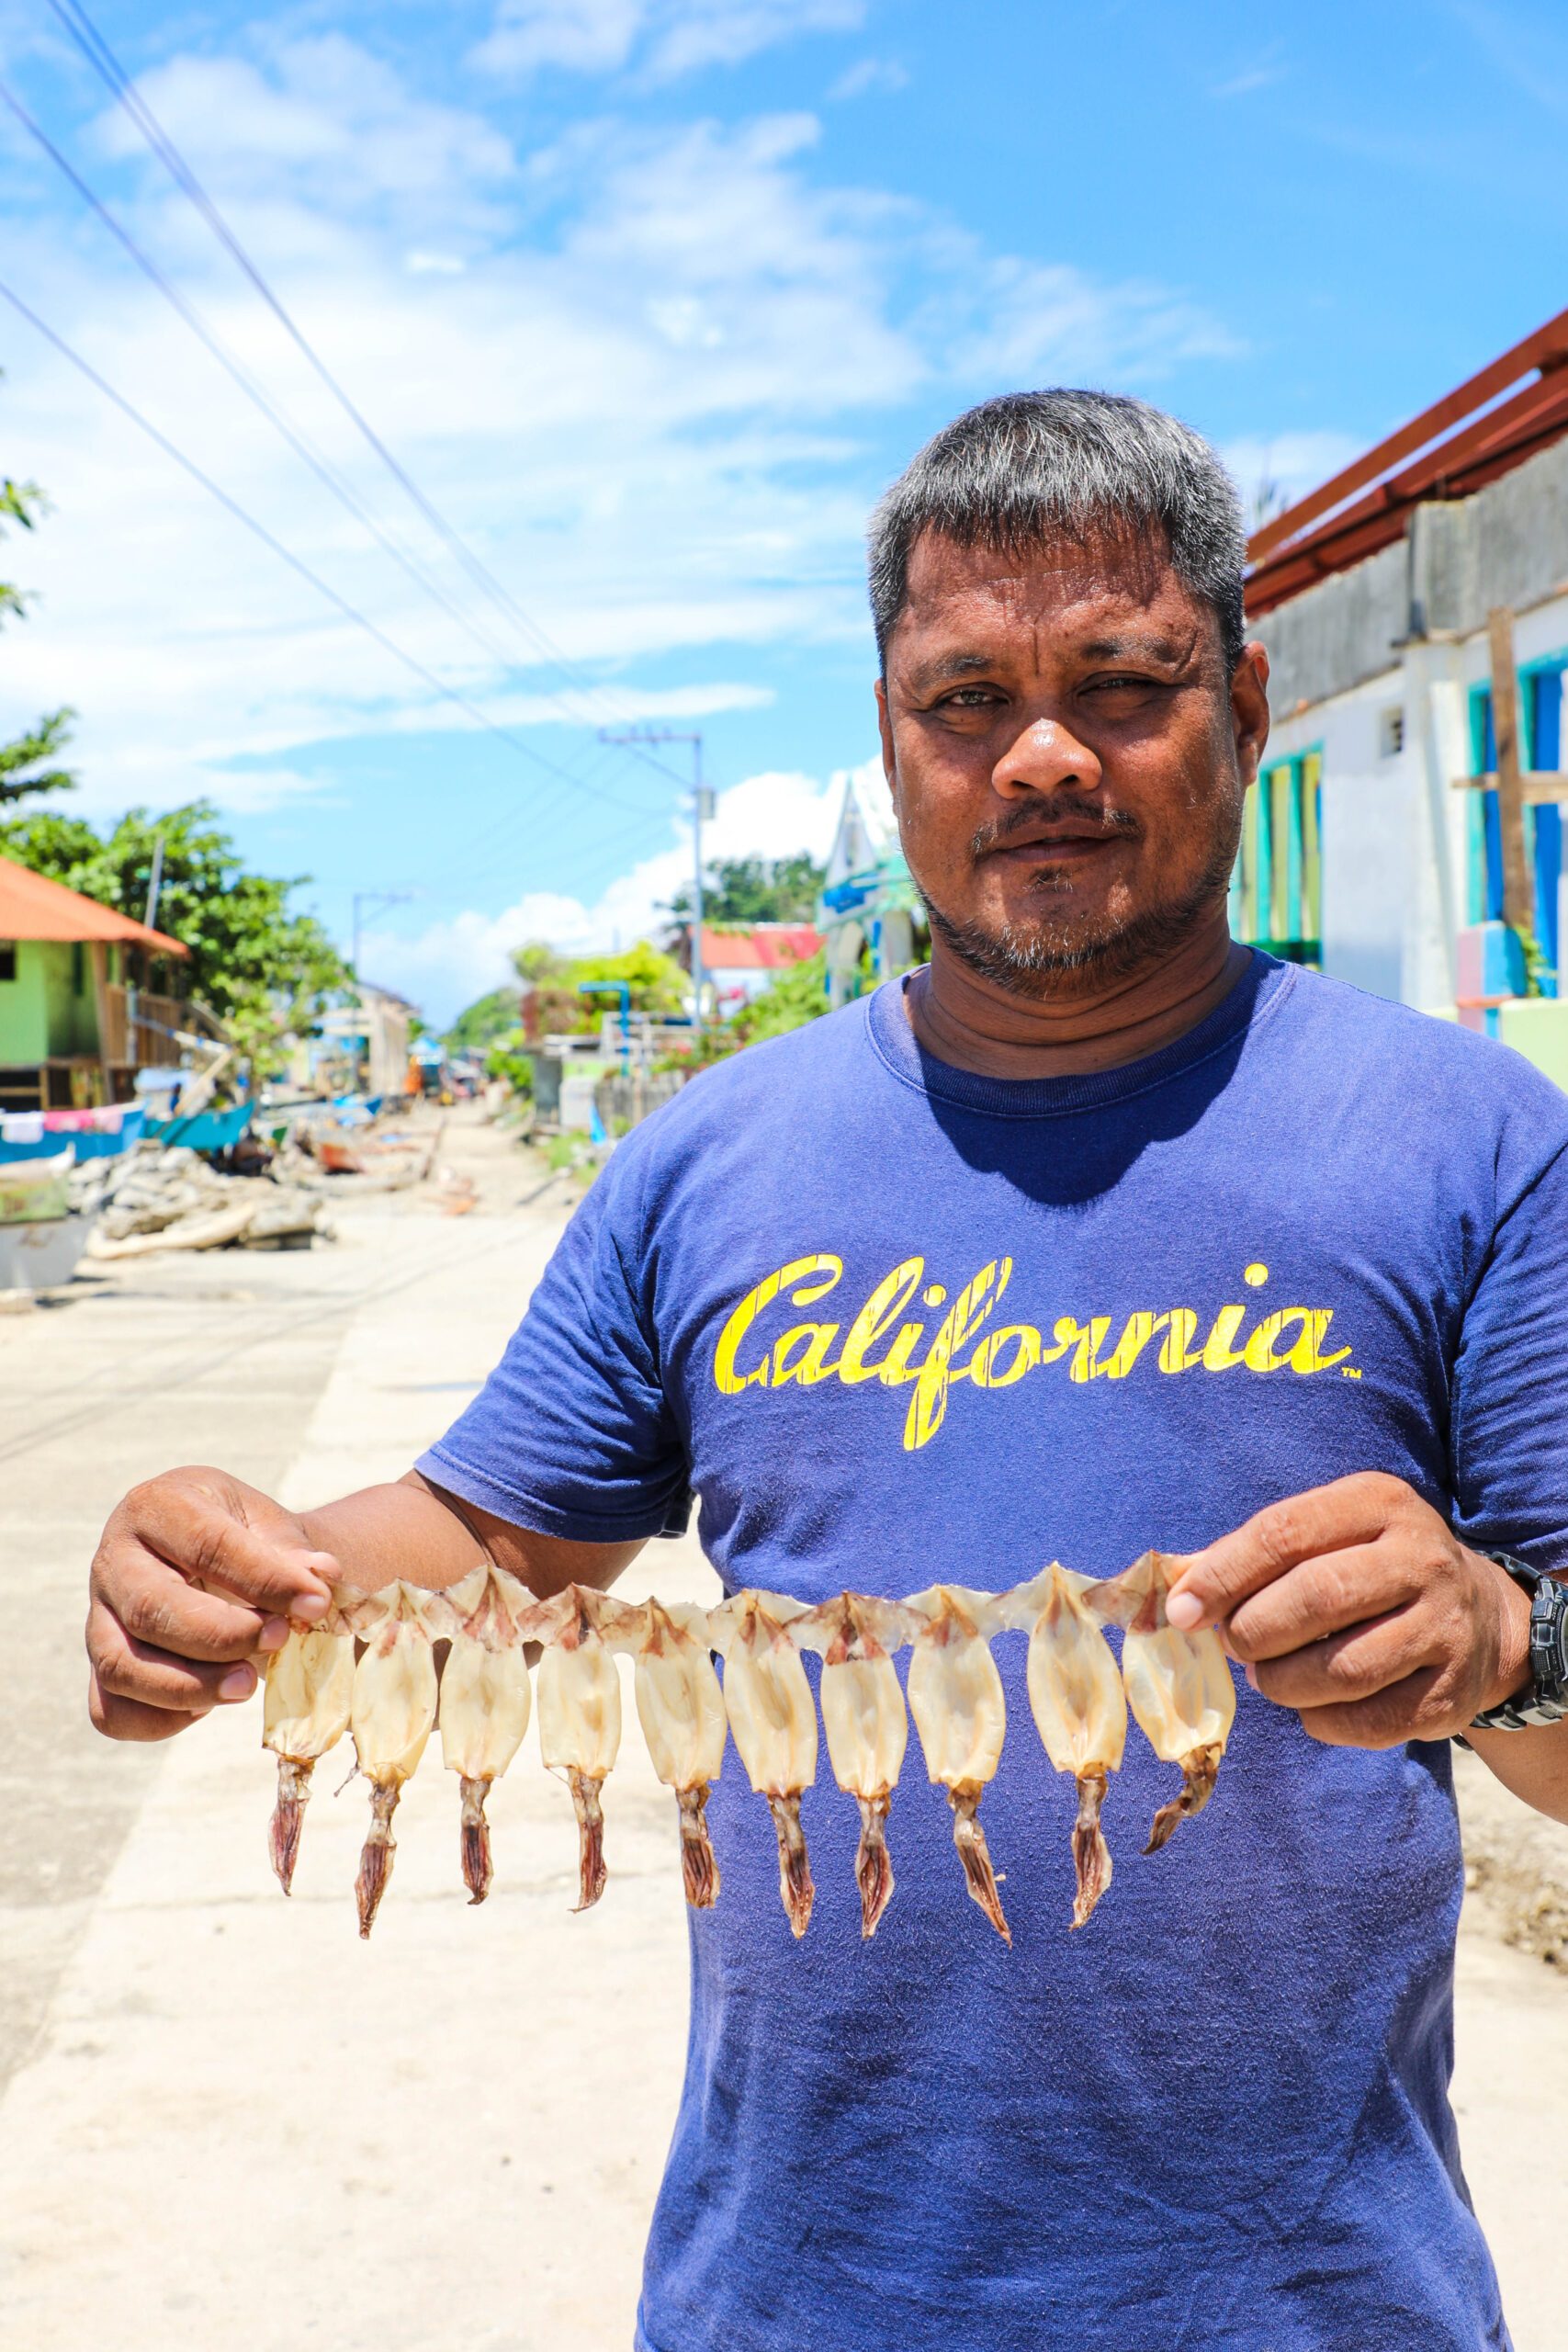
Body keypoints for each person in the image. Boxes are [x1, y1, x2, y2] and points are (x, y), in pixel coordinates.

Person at [86, 390, 1568, 2352]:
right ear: (888, 737)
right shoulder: (713, 1156)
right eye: (965, 700)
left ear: (1241, 691)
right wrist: (227, 1560)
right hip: (795, 2293)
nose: (1040, 754)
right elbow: (488, 1547)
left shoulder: (1470, 1142)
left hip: (1308, 2304)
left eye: (1118, 681)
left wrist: (1494, 1638)